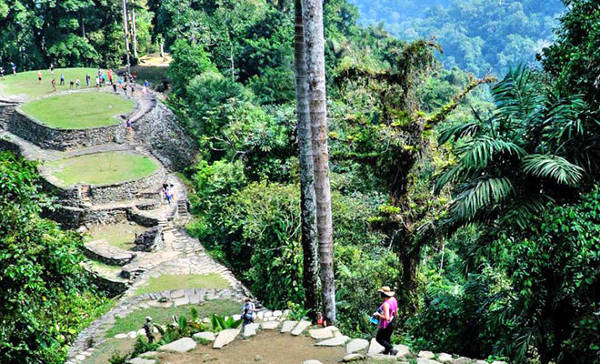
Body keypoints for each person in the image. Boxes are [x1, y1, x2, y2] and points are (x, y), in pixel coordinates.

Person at [373, 286, 398, 356]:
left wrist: (378, 314)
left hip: (387, 323)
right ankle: (387, 351)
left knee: (379, 338)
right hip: (394, 320)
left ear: (383, 294)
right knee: (387, 337)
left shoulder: (386, 304)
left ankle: (392, 349)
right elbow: (395, 310)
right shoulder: (393, 299)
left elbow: (387, 318)